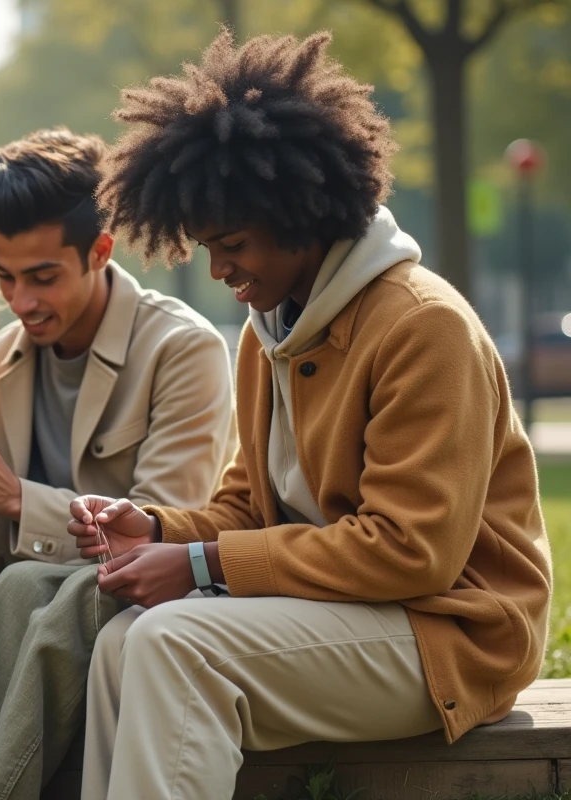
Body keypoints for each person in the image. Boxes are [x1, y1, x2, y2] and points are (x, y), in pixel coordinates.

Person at [74, 30, 552, 800]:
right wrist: (158, 528)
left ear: (302, 214)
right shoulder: (272, 331)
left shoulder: (422, 325)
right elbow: (245, 506)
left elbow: (410, 552)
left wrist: (201, 566)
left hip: (450, 633)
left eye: (231, 244)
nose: (220, 269)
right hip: (346, 619)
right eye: (205, 247)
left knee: (172, 643)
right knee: (125, 643)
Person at [0, 128, 237, 799]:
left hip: (154, 597)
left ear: (99, 252)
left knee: (27, 589)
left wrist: (15, 500)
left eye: (42, 277)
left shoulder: (183, 351)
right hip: (31, 603)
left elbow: (162, 528)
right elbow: (1, 556)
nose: (23, 301)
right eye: (6, 277)